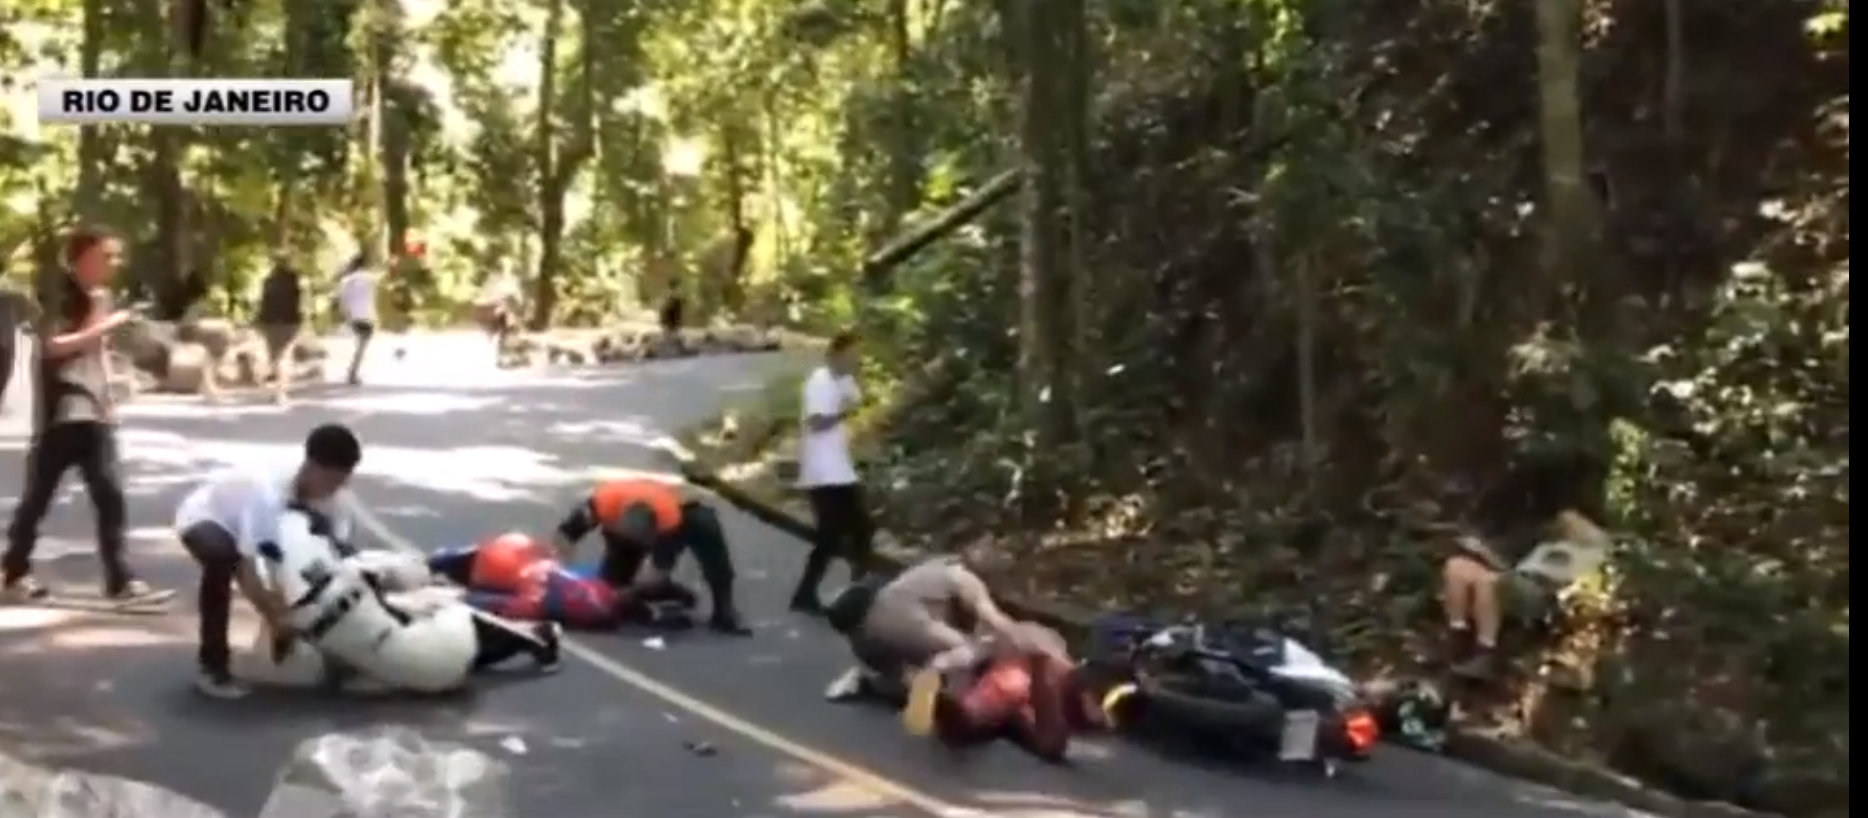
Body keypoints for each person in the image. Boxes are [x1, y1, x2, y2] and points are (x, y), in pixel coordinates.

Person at [3, 227, 161, 606]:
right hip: (63, 409)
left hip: (94, 408)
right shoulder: (58, 294)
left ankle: (120, 582)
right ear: (84, 256)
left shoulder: (101, 297)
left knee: (109, 495)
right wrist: (109, 323)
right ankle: (14, 570)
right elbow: (52, 346)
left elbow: (98, 351)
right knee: (39, 498)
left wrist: (110, 394)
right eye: (107, 256)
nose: (114, 264)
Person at [245, 509, 560, 695]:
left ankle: (527, 636)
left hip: (422, 673)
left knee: (411, 634)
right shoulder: (352, 572)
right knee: (441, 611)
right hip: (440, 655)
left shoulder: (292, 616)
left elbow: (287, 656)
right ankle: (535, 636)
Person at [821, 555, 1099, 762]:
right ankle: (956, 704)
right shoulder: (885, 623)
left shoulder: (895, 612)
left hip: (1009, 664)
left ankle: (955, 705)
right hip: (1008, 667)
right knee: (999, 708)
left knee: (993, 710)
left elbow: (964, 649)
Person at [171, 422, 368, 698]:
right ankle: (212, 667)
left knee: (323, 558)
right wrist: (276, 618)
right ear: (311, 467)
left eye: (344, 480)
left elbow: (341, 560)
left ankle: (342, 655)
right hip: (207, 518)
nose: (338, 488)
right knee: (223, 559)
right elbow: (247, 569)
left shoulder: (332, 497)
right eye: (333, 480)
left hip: (259, 528)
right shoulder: (264, 493)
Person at [549, 477, 751, 635]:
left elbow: (658, 571)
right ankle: (666, 595)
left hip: (687, 512)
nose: (641, 546)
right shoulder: (603, 502)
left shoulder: (668, 521)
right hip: (628, 517)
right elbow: (565, 536)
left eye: (643, 541)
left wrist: (631, 592)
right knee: (612, 586)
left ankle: (724, 610)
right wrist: (563, 576)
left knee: (708, 537)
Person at [1439, 509, 1609, 678]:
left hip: (1536, 593)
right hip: (1523, 583)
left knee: (1484, 580)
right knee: (1462, 569)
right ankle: (1463, 633)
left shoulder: (1585, 552)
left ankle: (1482, 646)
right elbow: (1519, 570)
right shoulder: (1559, 547)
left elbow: (1538, 577)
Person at [428, 531, 701, 630]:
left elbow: (501, 605)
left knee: (607, 601)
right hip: (560, 576)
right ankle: (655, 605)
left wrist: (463, 600)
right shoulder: (533, 567)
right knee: (610, 598)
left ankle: (654, 605)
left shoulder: (530, 587)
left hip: (550, 581)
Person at [788, 331, 873, 614]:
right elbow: (815, 422)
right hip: (821, 471)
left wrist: (856, 379)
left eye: (858, 356)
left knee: (862, 527)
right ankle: (805, 594)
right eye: (852, 355)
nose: (856, 360)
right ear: (836, 354)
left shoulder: (845, 380)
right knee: (830, 535)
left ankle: (858, 588)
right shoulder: (819, 381)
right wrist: (842, 413)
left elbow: (859, 401)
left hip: (840, 468)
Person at [256, 256, 303, 405]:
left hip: (269, 322)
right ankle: (281, 394)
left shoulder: (268, 281)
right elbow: (297, 301)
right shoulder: (293, 280)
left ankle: (272, 392)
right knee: (285, 357)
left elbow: (263, 303)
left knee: (273, 357)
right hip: (289, 322)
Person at [333, 254, 377, 386]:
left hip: (352, 316)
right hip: (367, 315)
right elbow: (372, 295)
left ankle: (351, 372)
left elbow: (342, 301)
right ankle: (352, 373)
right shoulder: (371, 278)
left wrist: (345, 315)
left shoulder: (346, 280)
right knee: (361, 346)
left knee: (353, 344)